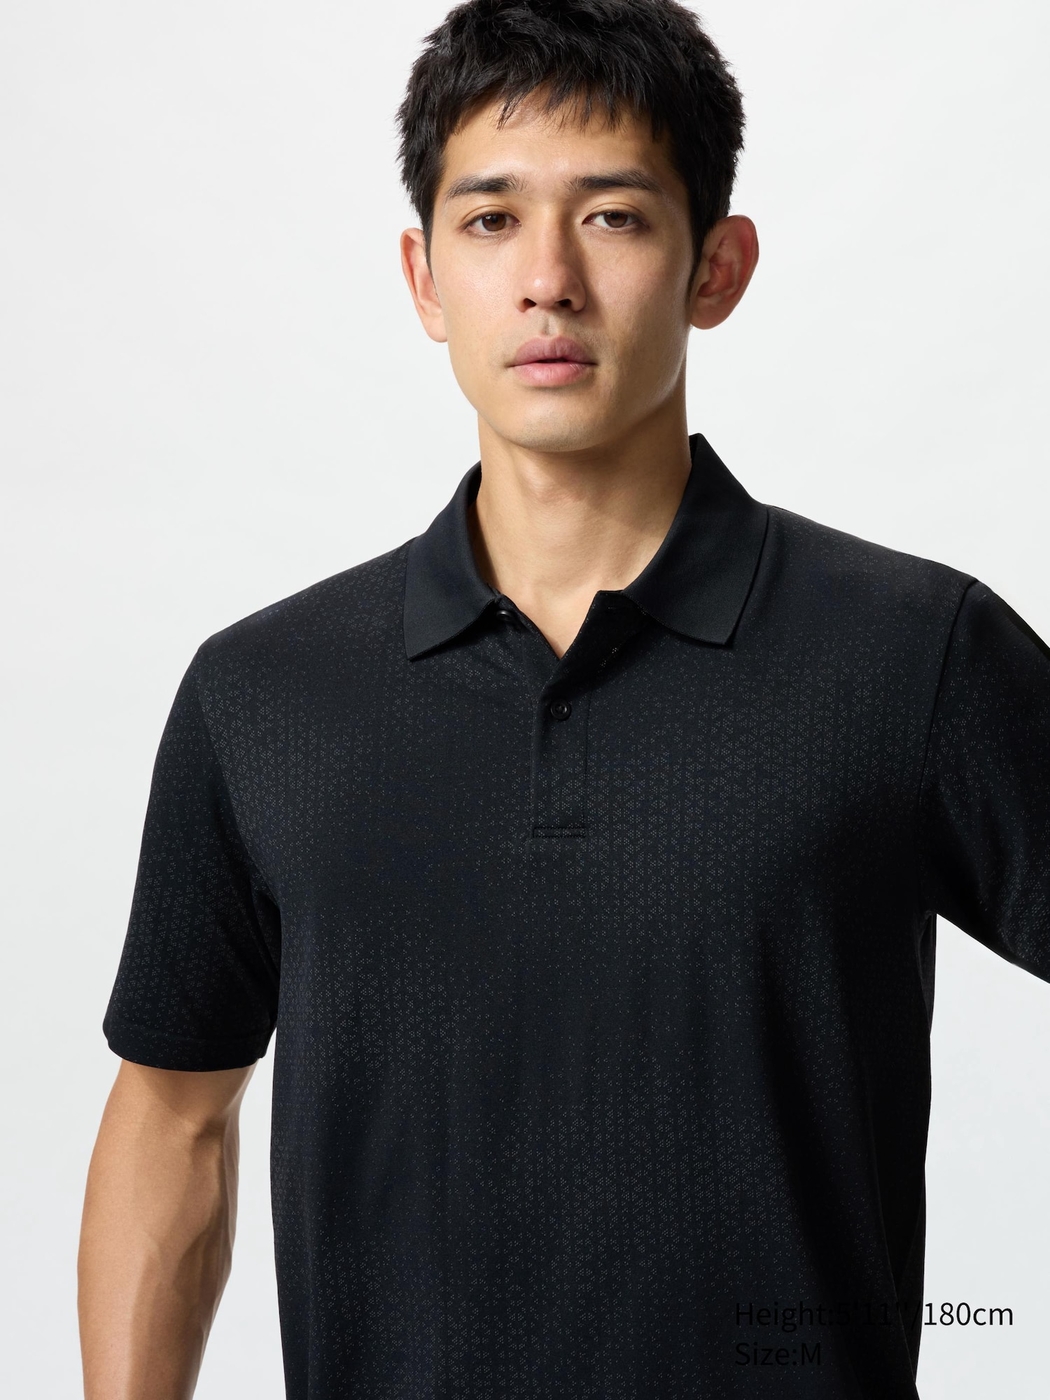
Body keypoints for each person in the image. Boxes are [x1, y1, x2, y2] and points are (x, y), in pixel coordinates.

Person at [77, 1, 1050, 1397]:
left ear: (716, 266)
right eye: (490, 221)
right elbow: (172, 1120)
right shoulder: (265, 695)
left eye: (612, 218)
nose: (547, 279)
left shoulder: (914, 655)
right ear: (423, 278)